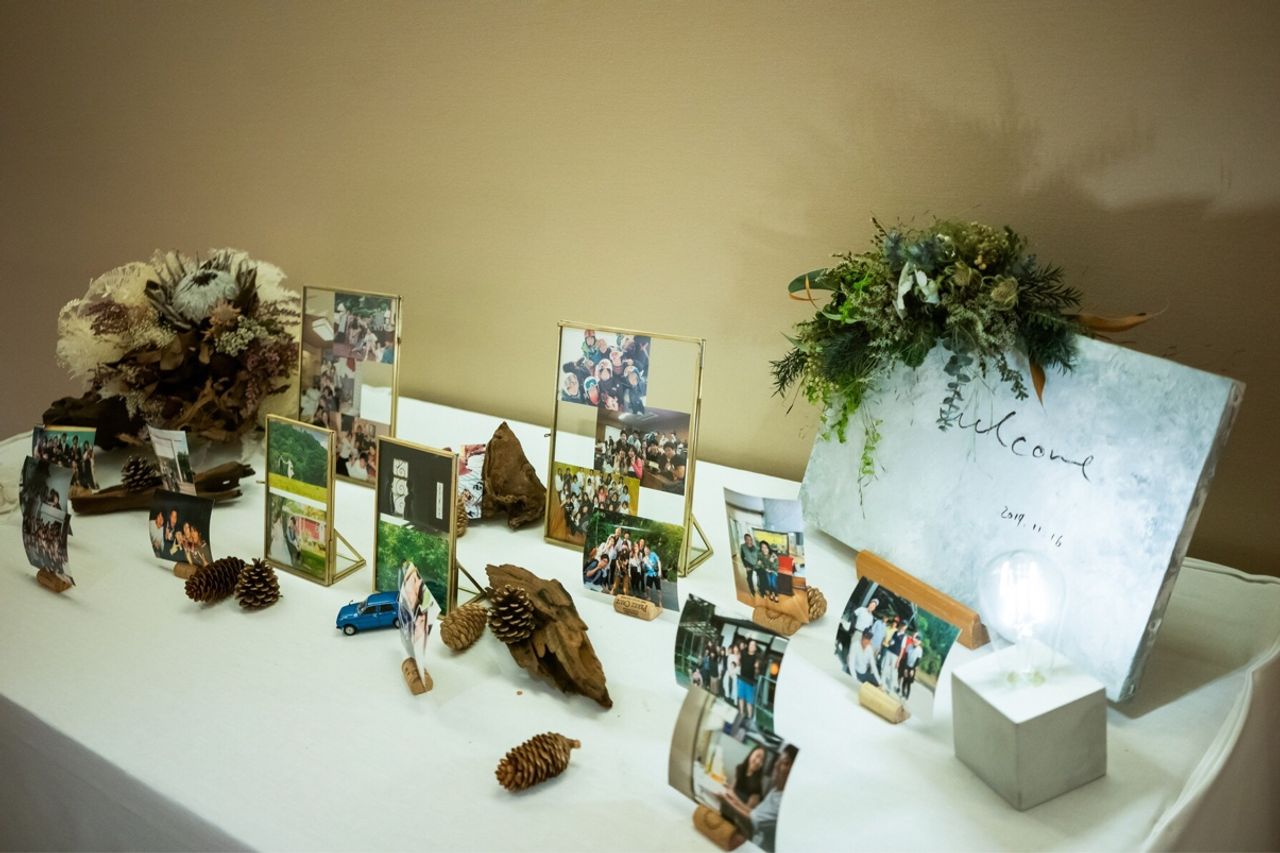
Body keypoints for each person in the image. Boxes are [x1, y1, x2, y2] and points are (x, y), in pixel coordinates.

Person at [719, 744, 797, 853]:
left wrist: (727, 800)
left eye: (785, 763)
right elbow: (754, 813)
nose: (776, 765)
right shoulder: (775, 790)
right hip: (750, 840)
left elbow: (750, 819)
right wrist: (730, 798)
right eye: (757, 756)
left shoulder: (779, 800)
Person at [731, 745, 767, 810]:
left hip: (738, 813)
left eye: (762, 760)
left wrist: (736, 801)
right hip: (729, 804)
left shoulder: (757, 786)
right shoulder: (740, 768)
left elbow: (749, 811)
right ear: (751, 754)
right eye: (757, 756)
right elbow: (732, 789)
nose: (758, 762)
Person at [738, 639, 761, 720]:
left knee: (749, 702)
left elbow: (757, 673)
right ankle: (741, 713)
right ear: (748, 646)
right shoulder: (743, 653)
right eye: (751, 644)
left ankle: (749, 717)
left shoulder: (757, 658)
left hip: (750, 683)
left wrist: (757, 668)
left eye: (753, 645)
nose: (752, 646)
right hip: (741, 679)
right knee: (741, 698)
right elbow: (739, 662)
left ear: (755, 648)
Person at [900, 630, 924, 699]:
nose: (916, 641)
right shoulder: (909, 646)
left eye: (918, 640)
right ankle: (903, 693)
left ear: (920, 642)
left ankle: (907, 695)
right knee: (904, 680)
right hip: (907, 665)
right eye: (916, 639)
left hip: (913, 667)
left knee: (909, 682)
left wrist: (912, 670)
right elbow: (906, 658)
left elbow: (917, 661)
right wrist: (905, 669)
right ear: (914, 639)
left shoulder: (920, 650)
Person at [739, 533, 760, 598]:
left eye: (750, 539)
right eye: (747, 539)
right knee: (749, 578)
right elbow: (742, 557)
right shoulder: (743, 546)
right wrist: (746, 566)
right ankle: (752, 591)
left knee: (760, 575)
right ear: (745, 540)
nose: (749, 541)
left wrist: (759, 562)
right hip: (749, 564)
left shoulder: (755, 547)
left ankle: (759, 586)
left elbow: (759, 556)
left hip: (756, 564)